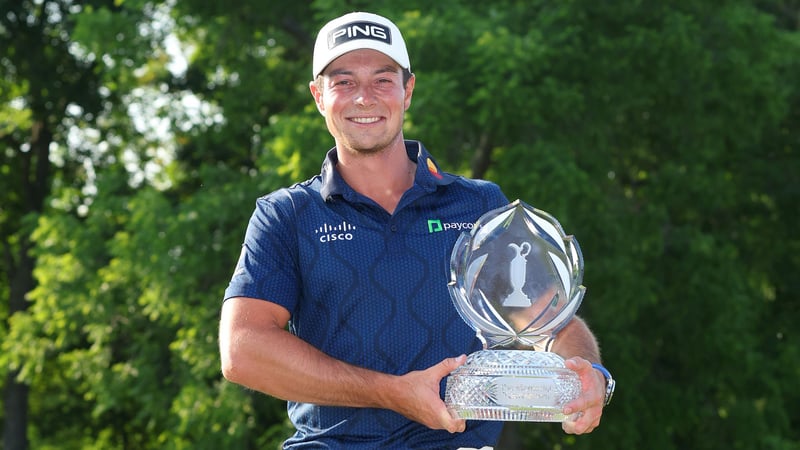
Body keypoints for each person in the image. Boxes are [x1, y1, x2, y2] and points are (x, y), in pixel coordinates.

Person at [219, 11, 613, 449]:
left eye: (383, 80)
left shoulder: (478, 204)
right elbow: (243, 351)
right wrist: (393, 392)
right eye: (344, 82)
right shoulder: (286, 215)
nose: (364, 98)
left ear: (407, 90)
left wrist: (587, 372)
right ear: (318, 95)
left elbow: (548, 318)